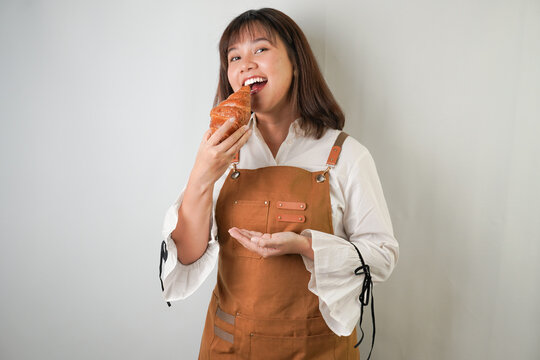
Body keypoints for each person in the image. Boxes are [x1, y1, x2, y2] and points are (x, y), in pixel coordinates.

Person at [159, 8, 399, 360]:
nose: (245, 64)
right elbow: (188, 256)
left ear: (296, 62)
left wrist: (305, 246)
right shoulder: (220, 152)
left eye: (260, 50)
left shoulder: (346, 155)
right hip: (229, 348)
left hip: (318, 349)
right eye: (234, 57)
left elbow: (382, 257)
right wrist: (201, 175)